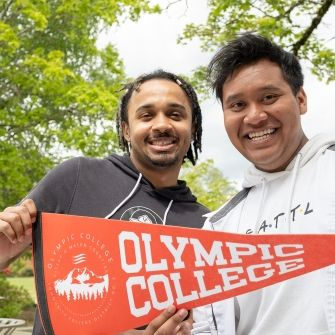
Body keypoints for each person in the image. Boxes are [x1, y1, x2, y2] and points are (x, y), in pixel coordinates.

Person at [0, 70, 209, 335]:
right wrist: (5, 246)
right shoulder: (76, 177)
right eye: (146, 115)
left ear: (192, 129)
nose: (161, 125)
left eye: (175, 114)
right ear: (126, 129)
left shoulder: (207, 225)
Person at [192, 33, 335, 334]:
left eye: (269, 97)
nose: (255, 116)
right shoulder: (218, 228)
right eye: (238, 105)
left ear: (300, 100)